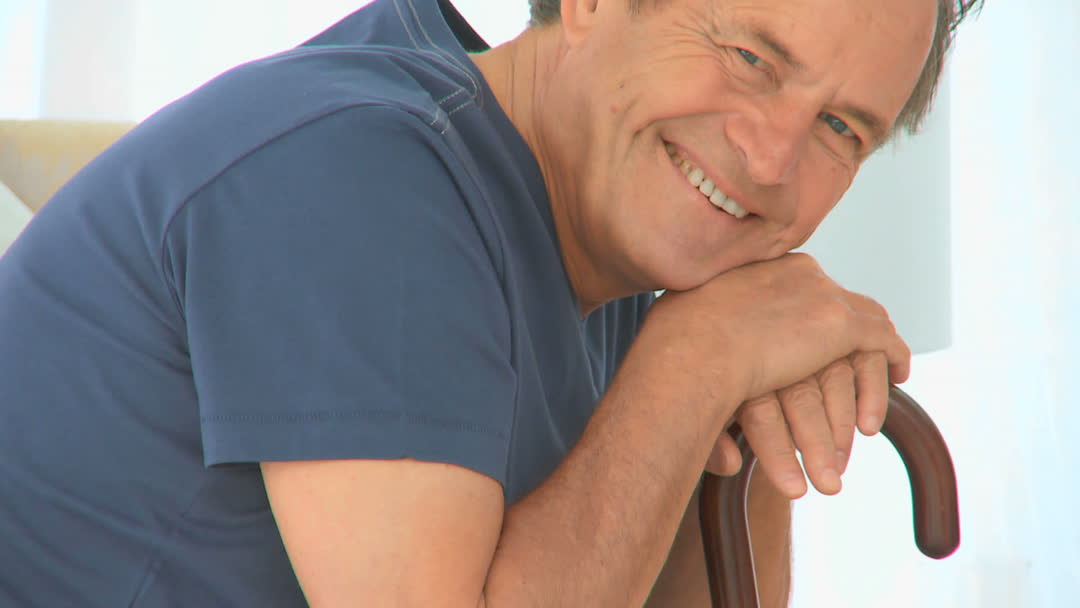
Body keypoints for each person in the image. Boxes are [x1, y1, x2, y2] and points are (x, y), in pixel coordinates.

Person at [0, 0, 980, 605]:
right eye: (751, 58)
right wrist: (700, 362)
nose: (770, 160)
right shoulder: (364, 173)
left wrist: (750, 394)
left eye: (841, 128)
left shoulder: (620, 244)